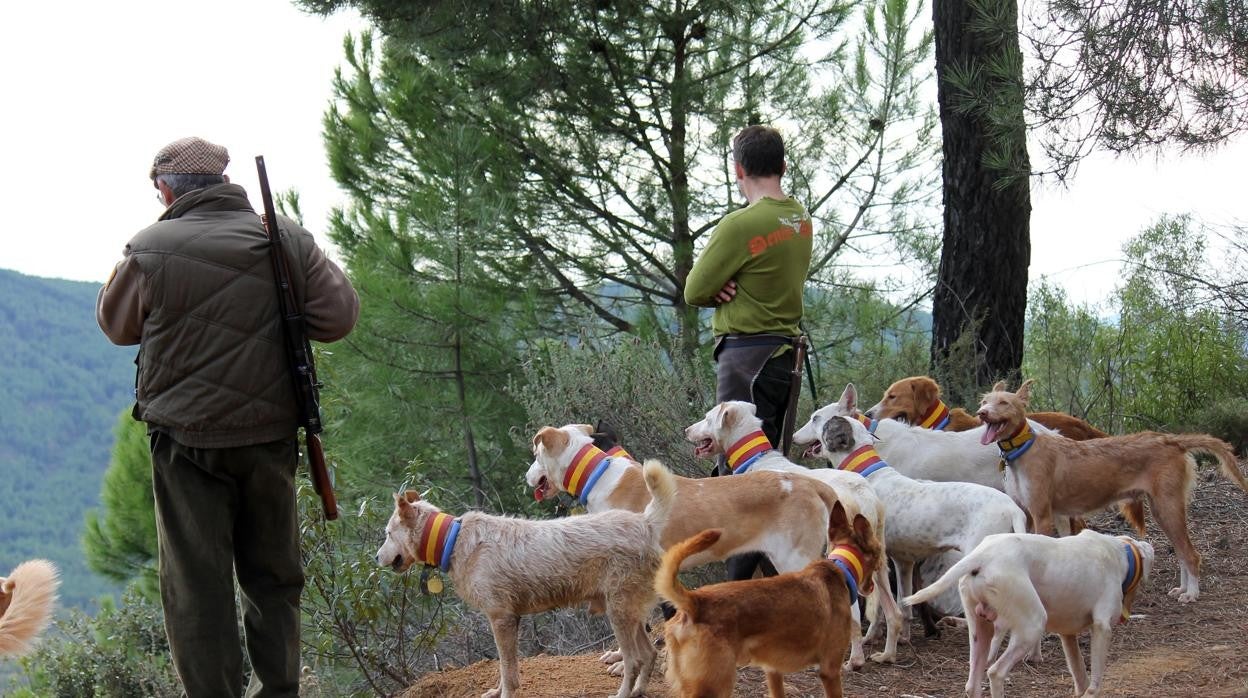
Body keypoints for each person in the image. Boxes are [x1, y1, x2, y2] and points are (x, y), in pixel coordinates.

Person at [97, 137, 359, 697]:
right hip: (268, 439)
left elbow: (117, 325)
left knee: (197, 589)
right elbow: (337, 317)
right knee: (274, 579)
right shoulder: (281, 237)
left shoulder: (149, 248)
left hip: (186, 446)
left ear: (165, 190)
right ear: (224, 182)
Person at [684, 124, 813, 579]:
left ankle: (736, 599)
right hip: (784, 360)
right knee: (770, 477)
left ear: (738, 169)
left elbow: (695, 289)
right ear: (782, 166)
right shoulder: (799, 219)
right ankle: (783, 598)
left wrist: (721, 289)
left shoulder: (741, 224)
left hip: (745, 360)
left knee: (741, 485)